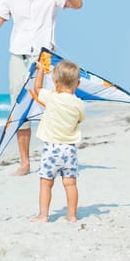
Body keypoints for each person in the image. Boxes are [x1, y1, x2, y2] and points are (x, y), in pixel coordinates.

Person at [0, 0, 82, 176]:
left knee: (53, 105)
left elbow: (77, 3)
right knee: (20, 109)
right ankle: (25, 163)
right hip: (19, 57)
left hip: (45, 57)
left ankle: (54, 155)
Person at [30, 60, 85, 222]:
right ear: (78, 83)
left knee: (46, 183)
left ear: (55, 83)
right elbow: (79, 120)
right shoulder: (79, 104)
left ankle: (43, 215)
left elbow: (38, 88)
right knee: (70, 184)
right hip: (70, 150)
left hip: (52, 149)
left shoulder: (52, 97)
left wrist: (40, 70)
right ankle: (72, 215)